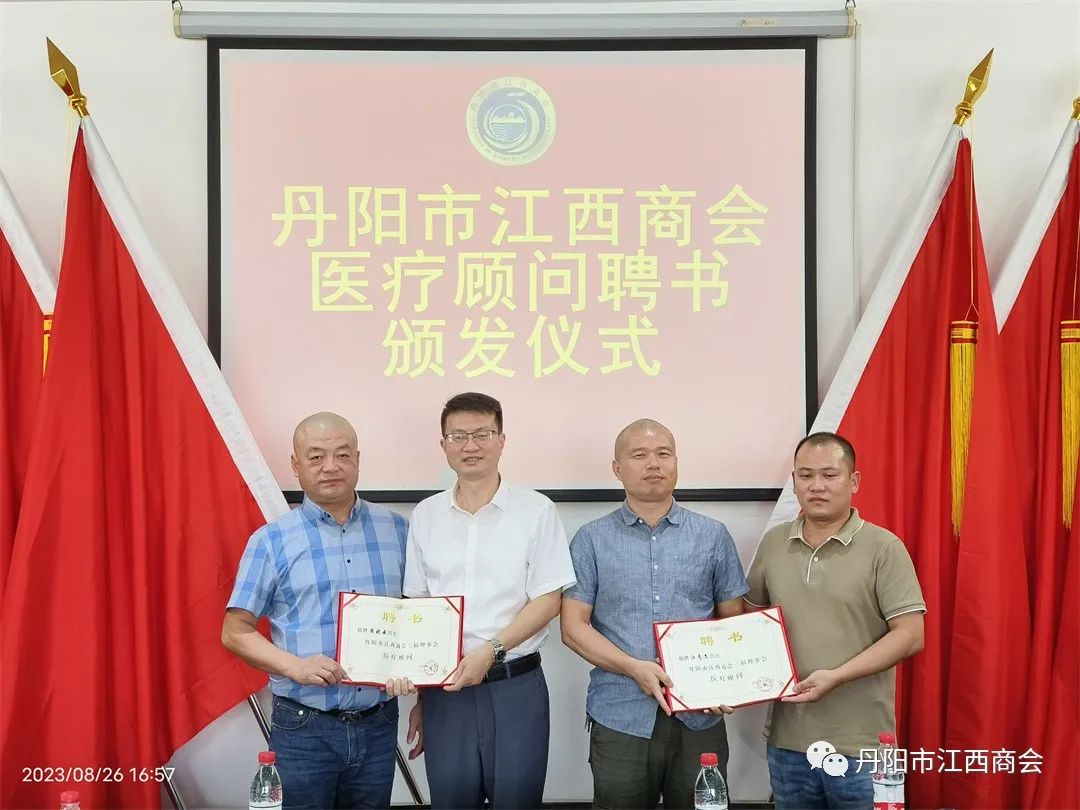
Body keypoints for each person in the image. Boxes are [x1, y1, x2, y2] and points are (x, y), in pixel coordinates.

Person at [396, 392, 576, 810]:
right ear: (443, 445)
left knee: (517, 801)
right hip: (446, 692)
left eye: (482, 434)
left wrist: (491, 651)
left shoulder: (536, 511)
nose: (470, 446)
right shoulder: (425, 515)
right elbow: (419, 607)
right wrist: (423, 697)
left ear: (502, 440)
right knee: (451, 802)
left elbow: (548, 600)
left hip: (516, 686)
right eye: (458, 436)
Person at [222, 412, 409, 810]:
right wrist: (296, 667)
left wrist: (417, 672)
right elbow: (235, 631)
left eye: (342, 454)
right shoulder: (271, 541)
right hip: (303, 728)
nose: (331, 466)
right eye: (316, 457)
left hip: (378, 723)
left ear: (357, 459)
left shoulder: (397, 530)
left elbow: (416, 617)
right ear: (296, 465)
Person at [561, 418, 749, 810]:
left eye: (664, 454)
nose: (653, 463)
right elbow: (573, 627)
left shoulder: (712, 535)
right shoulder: (591, 539)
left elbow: (735, 623)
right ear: (617, 468)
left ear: (676, 462)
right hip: (621, 713)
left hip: (699, 714)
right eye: (640, 455)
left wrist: (728, 682)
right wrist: (634, 668)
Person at [746, 432, 925, 809]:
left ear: (853, 481)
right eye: (806, 475)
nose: (817, 486)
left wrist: (837, 676)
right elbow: (750, 622)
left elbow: (910, 635)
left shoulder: (884, 548)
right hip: (788, 744)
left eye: (829, 475)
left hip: (864, 746)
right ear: (794, 481)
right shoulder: (774, 543)